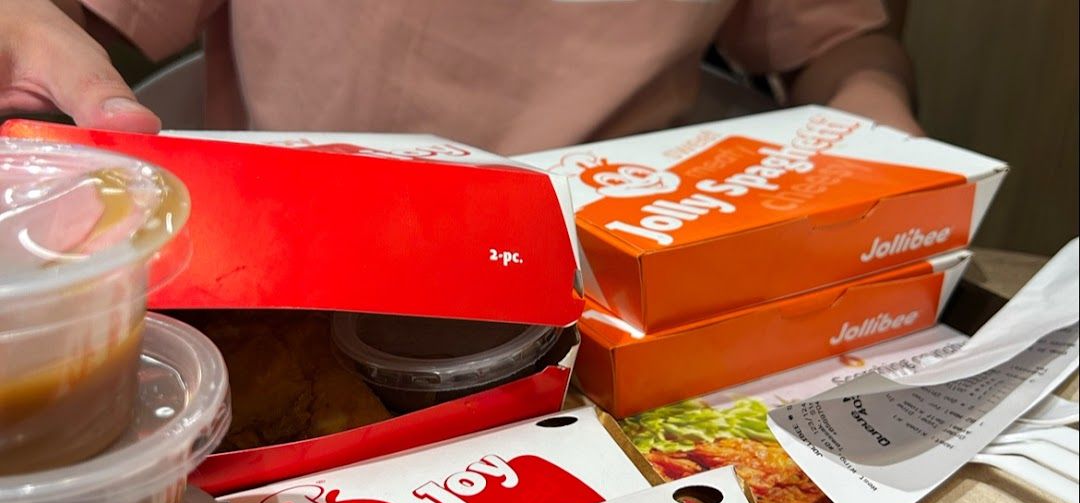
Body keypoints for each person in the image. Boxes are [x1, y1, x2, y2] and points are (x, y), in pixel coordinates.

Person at [0, 0, 922, 154]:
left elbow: (838, 42)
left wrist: (887, 138)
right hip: (303, 286)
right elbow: (76, 23)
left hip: (606, 292)